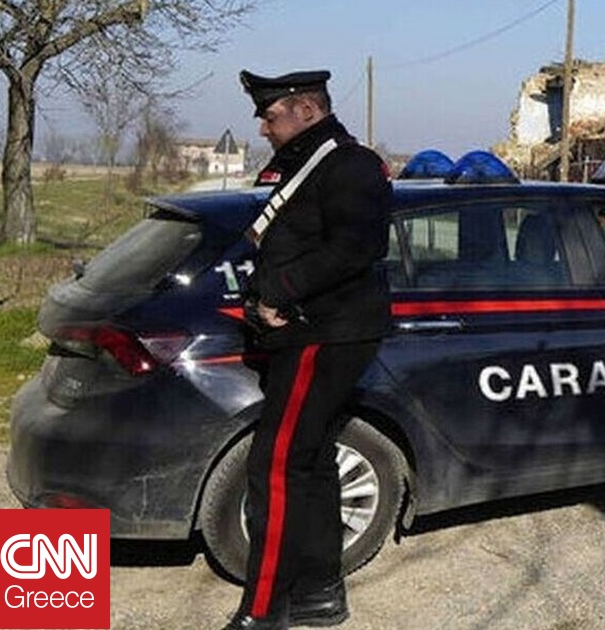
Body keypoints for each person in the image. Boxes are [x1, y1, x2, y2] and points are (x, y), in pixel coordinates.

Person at [224, 69, 393, 630]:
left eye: (271, 116)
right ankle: (319, 594)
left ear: (306, 110)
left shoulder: (350, 165)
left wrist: (279, 291)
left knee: (274, 465)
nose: (263, 128)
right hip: (304, 332)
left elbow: (356, 248)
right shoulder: (304, 163)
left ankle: (263, 611)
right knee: (311, 461)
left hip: (326, 333)